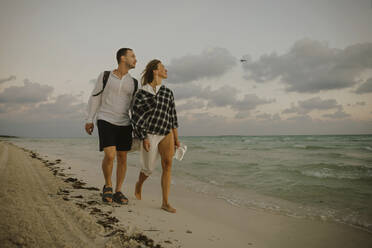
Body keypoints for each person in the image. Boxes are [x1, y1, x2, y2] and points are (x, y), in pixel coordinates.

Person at [85, 48, 138, 205]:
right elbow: (95, 97)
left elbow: (134, 108)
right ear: (122, 58)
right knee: (110, 155)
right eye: (132, 56)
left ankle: (118, 190)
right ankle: (108, 185)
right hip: (105, 119)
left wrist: (138, 127)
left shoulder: (134, 82)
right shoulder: (105, 75)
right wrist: (89, 119)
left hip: (125, 123)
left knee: (122, 157)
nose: (136, 59)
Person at [131, 59, 180, 213]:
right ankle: (139, 184)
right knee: (148, 168)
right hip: (149, 133)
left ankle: (165, 202)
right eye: (163, 68)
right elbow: (137, 117)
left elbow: (173, 117)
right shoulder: (142, 92)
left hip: (166, 132)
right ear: (155, 70)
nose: (166, 70)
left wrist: (177, 138)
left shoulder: (168, 92)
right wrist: (144, 136)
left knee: (168, 164)